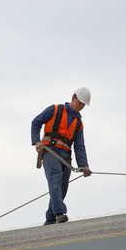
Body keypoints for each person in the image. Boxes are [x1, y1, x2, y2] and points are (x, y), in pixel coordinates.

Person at [31, 87, 92, 225]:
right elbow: (35, 122)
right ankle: (59, 213)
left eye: (83, 104)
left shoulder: (78, 123)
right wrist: (37, 141)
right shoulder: (54, 109)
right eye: (80, 103)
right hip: (50, 151)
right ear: (73, 98)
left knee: (62, 187)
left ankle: (51, 219)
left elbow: (79, 147)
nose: (81, 106)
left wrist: (84, 166)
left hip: (66, 155)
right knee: (55, 179)